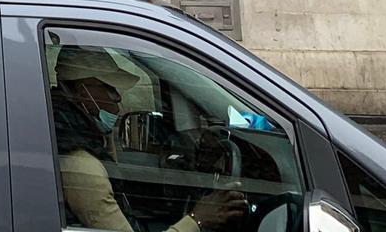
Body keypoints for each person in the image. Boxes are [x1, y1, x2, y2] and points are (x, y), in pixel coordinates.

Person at [49, 45, 247, 232]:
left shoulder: (83, 137)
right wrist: (198, 218)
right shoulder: (81, 166)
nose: (118, 100)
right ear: (84, 94)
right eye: (111, 90)